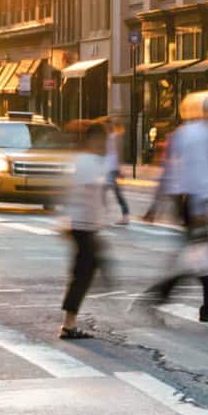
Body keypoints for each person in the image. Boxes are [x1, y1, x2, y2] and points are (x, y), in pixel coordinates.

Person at [142, 92, 208, 323]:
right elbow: (199, 174)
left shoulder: (183, 133)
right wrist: (201, 209)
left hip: (183, 200)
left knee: (203, 256)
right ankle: (161, 297)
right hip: (194, 201)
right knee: (200, 257)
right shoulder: (203, 137)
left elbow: (166, 169)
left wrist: (155, 204)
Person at [60, 120, 115, 339]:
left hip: (81, 225)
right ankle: (68, 324)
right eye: (104, 140)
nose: (106, 144)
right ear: (95, 139)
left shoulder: (81, 160)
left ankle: (69, 322)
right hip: (84, 226)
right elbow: (92, 193)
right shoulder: (90, 162)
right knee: (82, 274)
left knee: (83, 272)